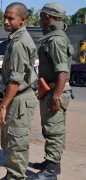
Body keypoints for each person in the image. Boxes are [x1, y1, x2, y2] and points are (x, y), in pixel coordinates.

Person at [29, 3, 73, 180]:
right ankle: (51, 163)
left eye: (41, 16)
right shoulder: (55, 37)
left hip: (55, 90)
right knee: (51, 129)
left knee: (54, 131)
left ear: (48, 17)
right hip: (51, 90)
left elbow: (62, 71)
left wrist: (56, 96)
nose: (40, 20)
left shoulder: (55, 40)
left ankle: (51, 171)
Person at [0, 2, 38, 179]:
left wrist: (3, 106)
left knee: (16, 143)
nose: (6, 21)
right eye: (5, 17)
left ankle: (15, 177)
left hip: (18, 99)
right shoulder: (15, 39)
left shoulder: (19, 43)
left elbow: (16, 80)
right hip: (17, 97)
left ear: (22, 20)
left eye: (10, 18)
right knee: (10, 142)